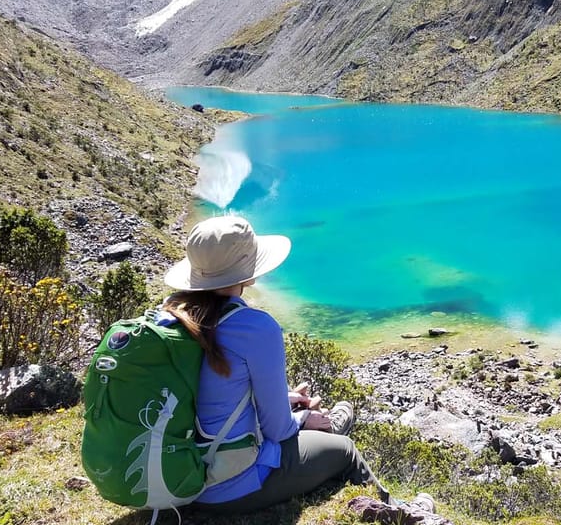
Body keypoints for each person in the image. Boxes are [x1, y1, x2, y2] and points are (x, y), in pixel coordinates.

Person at [158, 215, 388, 514]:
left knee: (306, 419)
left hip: (169, 475)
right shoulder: (254, 327)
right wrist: (303, 418)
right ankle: (398, 511)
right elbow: (279, 431)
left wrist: (286, 399)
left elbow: (206, 394)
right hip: (221, 486)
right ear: (247, 274)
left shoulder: (167, 318)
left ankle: (328, 425)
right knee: (345, 450)